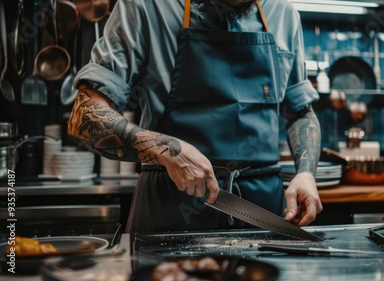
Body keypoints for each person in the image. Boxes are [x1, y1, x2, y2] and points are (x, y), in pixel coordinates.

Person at [67, 0, 323, 234]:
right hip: (170, 214)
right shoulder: (145, 6)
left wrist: (306, 173)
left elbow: (300, 113)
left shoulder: (284, 14)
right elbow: (84, 117)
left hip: (264, 218)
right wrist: (167, 149)